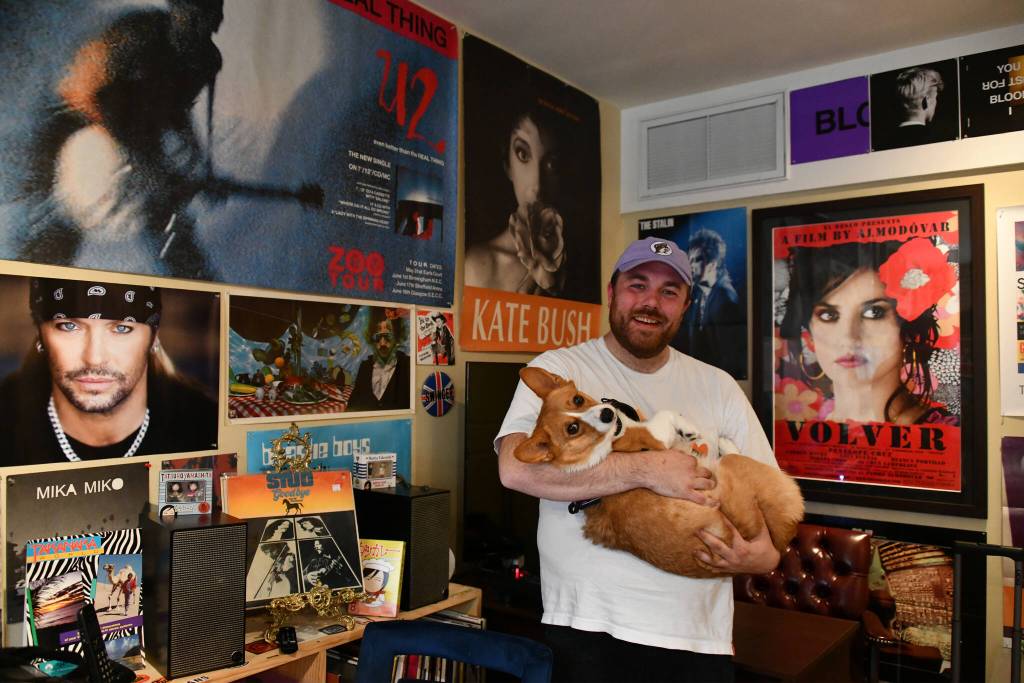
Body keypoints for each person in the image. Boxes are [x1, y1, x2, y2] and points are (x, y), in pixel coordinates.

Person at [496, 237, 781, 682]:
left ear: (686, 304)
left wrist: (761, 555)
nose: (651, 302)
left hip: (696, 638)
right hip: (587, 629)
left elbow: (767, 506)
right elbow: (514, 468)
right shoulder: (560, 369)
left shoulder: (718, 387)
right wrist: (648, 470)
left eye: (670, 292)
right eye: (638, 284)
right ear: (612, 293)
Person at [0, 277, 218, 466]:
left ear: (153, 337)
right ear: (40, 334)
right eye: (69, 326)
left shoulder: (205, 426)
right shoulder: (8, 424)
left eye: (122, 328)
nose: (94, 358)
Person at [779, 239, 954, 425]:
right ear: (810, 333)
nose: (848, 337)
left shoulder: (948, 434)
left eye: (874, 312)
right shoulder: (798, 433)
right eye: (828, 315)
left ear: (908, 327)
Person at [464, 101, 568, 296]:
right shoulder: (479, 266)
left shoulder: (576, 265)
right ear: (507, 165)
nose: (537, 184)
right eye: (523, 154)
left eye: (551, 164)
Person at [673, 228, 744, 377]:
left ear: (713, 263)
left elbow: (729, 359)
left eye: (696, 260)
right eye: (689, 260)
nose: (690, 266)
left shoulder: (725, 299)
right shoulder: (699, 295)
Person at [346, 309, 410, 411]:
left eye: (388, 336)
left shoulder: (408, 366)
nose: (382, 344)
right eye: (377, 337)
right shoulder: (365, 367)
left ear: (397, 335)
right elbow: (351, 407)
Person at [892, 67, 944, 148]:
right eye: (935, 97)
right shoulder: (937, 141)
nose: (936, 103)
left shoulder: (883, 142)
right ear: (926, 100)